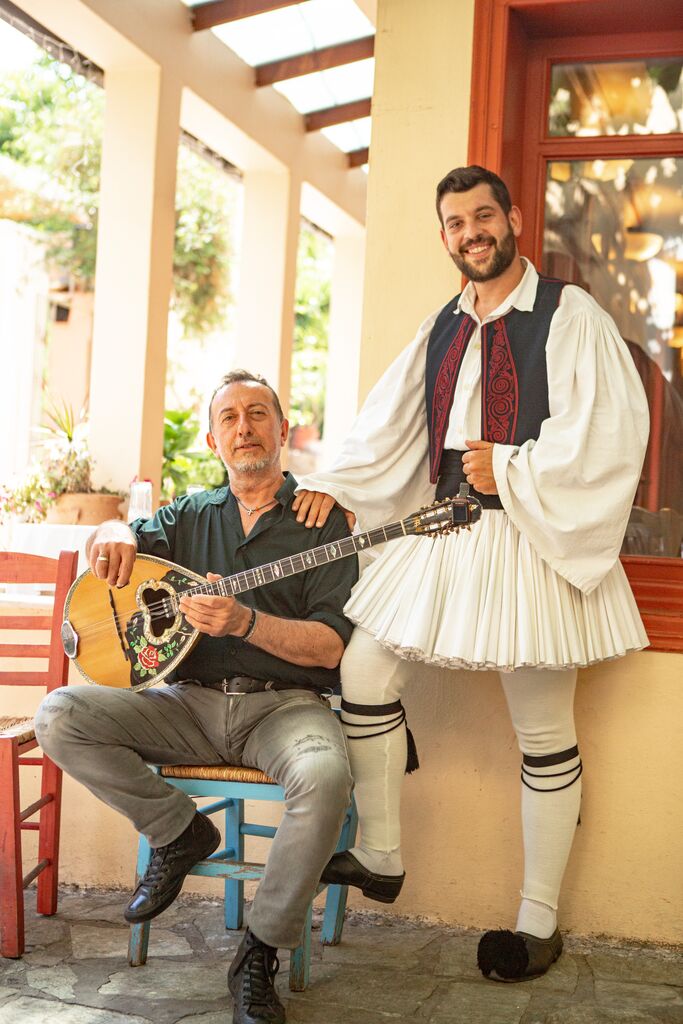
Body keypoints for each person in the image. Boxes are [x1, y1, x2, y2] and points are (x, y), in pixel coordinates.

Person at [292, 165, 650, 982]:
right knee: (365, 669)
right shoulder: (442, 327)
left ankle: (536, 917)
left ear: (513, 218)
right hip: (443, 534)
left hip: (529, 539)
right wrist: (330, 481)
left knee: (541, 729)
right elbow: (387, 422)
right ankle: (381, 851)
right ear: (445, 235)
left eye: (483, 216)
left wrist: (514, 467)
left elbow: (611, 430)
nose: (470, 232)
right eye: (455, 223)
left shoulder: (569, 314)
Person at [34, 370, 357, 1024]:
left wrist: (247, 623)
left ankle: (259, 951)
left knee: (326, 778)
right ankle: (180, 830)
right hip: (187, 704)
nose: (245, 427)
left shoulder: (322, 522)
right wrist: (117, 534)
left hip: (284, 708)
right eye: (230, 418)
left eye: (258, 413)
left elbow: (329, 647)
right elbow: (120, 544)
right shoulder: (188, 516)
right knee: (60, 715)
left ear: (282, 430)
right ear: (213, 440)